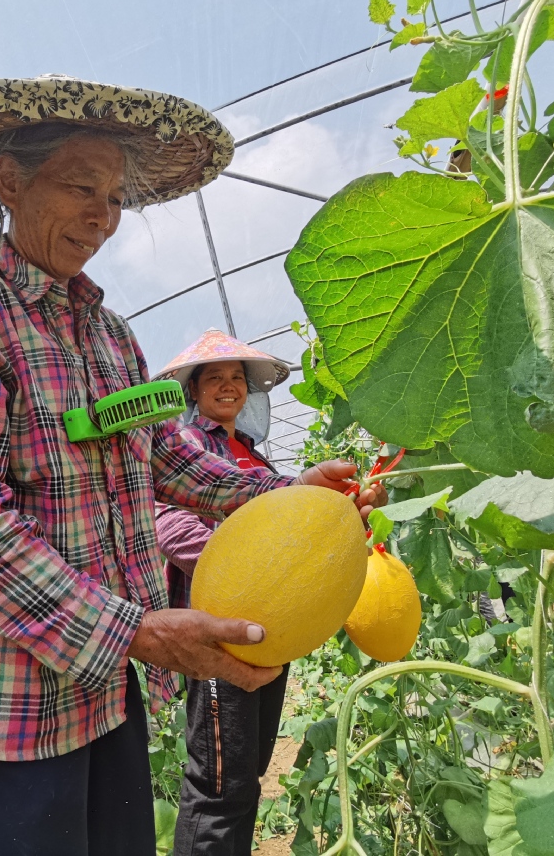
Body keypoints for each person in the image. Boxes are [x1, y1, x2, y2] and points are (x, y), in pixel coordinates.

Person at [0, 74, 386, 856]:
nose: (103, 218)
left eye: (115, 199)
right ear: (12, 181)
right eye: (83, 188)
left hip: (107, 701)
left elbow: (169, 459)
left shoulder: (112, 338)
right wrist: (134, 631)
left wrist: (289, 494)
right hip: (6, 718)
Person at [153, 332, 373, 855]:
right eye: (215, 378)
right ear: (193, 391)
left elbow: (290, 532)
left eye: (237, 379)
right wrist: (245, 564)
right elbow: (166, 522)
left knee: (247, 776)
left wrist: (336, 520)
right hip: (217, 635)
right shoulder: (187, 449)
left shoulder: (255, 458)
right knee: (218, 786)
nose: (229, 387)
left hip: (272, 634)